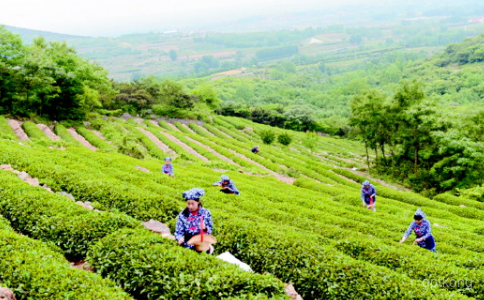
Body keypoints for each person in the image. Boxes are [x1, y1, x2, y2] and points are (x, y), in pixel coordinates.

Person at [175, 188, 214, 254]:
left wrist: (205, 228)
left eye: (192, 203)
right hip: (187, 243)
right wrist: (180, 238)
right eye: (188, 203)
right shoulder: (182, 215)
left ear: (199, 201)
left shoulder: (205, 213)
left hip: (201, 243)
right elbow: (178, 231)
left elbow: (210, 229)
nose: (190, 206)